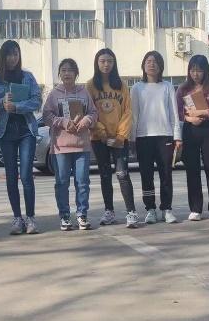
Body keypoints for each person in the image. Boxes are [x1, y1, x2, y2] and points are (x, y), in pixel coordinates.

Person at [0, 40, 43, 235]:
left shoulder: (27, 77)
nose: (12, 58)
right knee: (11, 176)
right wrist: (1, 102)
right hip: (6, 133)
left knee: (26, 175)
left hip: (26, 131)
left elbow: (37, 101)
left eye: (16, 54)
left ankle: (31, 218)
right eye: (9, 54)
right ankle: (17, 218)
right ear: (3, 57)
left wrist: (17, 107)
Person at [43, 58, 98, 231]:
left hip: (82, 146)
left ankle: (82, 215)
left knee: (82, 182)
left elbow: (94, 113)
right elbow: (47, 116)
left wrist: (87, 120)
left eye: (70, 70)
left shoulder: (84, 92)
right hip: (60, 147)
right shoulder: (54, 94)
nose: (67, 73)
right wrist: (63, 122)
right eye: (63, 70)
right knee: (62, 182)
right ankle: (65, 216)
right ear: (59, 74)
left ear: (76, 73)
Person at [86, 48, 138, 228]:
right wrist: (101, 132)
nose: (106, 64)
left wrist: (121, 136)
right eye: (102, 61)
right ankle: (109, 211)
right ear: (97, 63)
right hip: (98, 138)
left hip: (119, 138)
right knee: (105, 174)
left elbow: (128, 111)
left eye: (109, 61)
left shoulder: (121, 85)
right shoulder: (90, 85)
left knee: (122, 174)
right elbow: (90, 111)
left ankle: (131, 212)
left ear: (114, 63)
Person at [131, 50, 181, 225]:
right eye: (148, 61)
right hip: (143, 137)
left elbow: (174, 113)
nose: (151, 64)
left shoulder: (167, 86)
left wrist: (177, 137)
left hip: (164, 136)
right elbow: (134, 115)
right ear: (143, 65)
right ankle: (150, 209)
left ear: (160, 66)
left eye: (155, 61)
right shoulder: (137, 88)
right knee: (146, 175)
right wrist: (132, 138)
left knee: (166, 174)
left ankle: (166, 209)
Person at [175, 55, 209, 221]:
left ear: (205, 71)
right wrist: (190, 119)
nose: (195, 74)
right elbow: (177, 110)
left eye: (199, 70)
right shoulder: (183, 89)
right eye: (192, 70)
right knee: (192, 169)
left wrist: (204, 113)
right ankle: (195, 208)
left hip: (207, 129)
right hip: (190, 130)